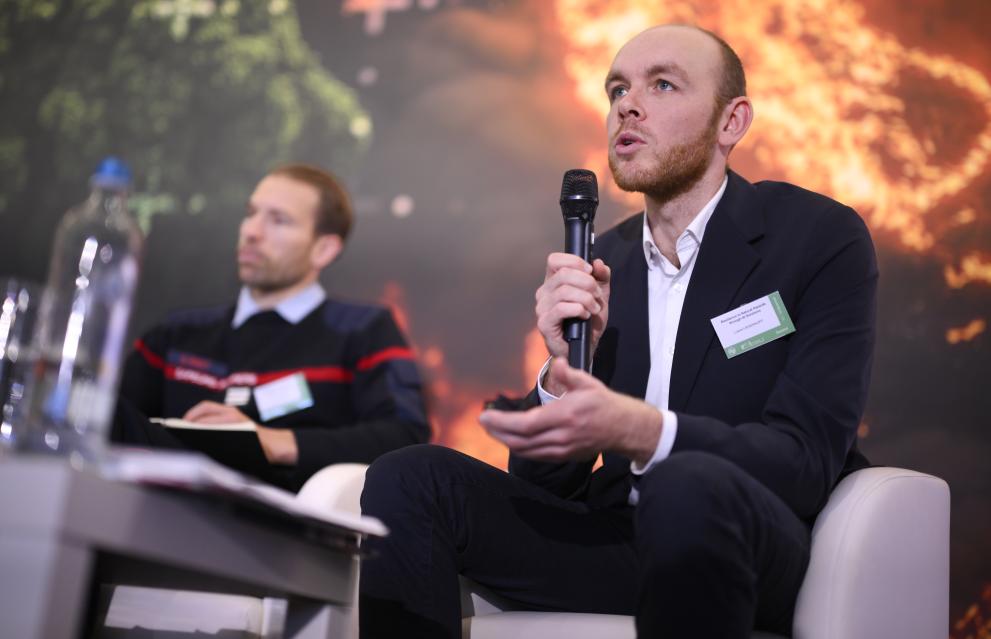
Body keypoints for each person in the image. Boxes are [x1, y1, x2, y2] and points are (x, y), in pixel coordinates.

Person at [358, 24, 877, 638]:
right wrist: (559, 371)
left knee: (686, 485)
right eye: (616, 89)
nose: (627, 105)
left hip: (746, 539)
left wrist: (642, 431)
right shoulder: (607, 260)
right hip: (616, 538)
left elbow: (805, 462)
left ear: (730, 122)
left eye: (662, 84)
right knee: (410, 477)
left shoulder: (815, 238)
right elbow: (549, 483)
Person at [114, 164, 431, 492]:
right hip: (154, 505)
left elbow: (406, 438)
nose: (252, 231)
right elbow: (111, 423)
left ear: (324, 249)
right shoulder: (175, 334)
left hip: (280, 525)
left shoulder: (363, 331)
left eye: (279, 220)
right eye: (250, 213)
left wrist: (271, 441)